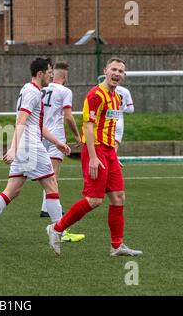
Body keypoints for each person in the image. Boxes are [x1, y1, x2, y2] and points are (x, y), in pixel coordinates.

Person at [47, 57, 143, 257]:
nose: (117, 74)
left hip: (109, 152)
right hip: (96, 150)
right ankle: (56, 228)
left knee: (118, 197)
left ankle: (117, 246)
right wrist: (92, 156)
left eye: (121, 71)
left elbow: (111, 127)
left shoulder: (116, 98)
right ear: (105, 70)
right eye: (114, 69)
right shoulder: (95, 95)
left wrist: (113, 155)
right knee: (94, 200)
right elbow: (88, 126)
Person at [0, 57, 71, 245]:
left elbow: (36, 124)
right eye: (50, 73)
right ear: (40, 73)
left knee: (12, 190)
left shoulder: (29, 90)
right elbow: (21, 121)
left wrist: (57, 142)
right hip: (30, 146)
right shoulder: (33, 93)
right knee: (51, 184)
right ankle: (60, 230)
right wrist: (13, 149)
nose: (52, 76)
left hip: (27, 144)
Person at [39, 61, 85, 243]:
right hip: (56, 135)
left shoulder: (42, 89)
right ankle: (52, 213)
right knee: (53, 175)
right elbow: (68, 116)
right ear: (64, 77)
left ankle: (46, 207)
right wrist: (77, 136)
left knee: (45, 174)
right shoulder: (65, 91)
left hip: (41, 133)